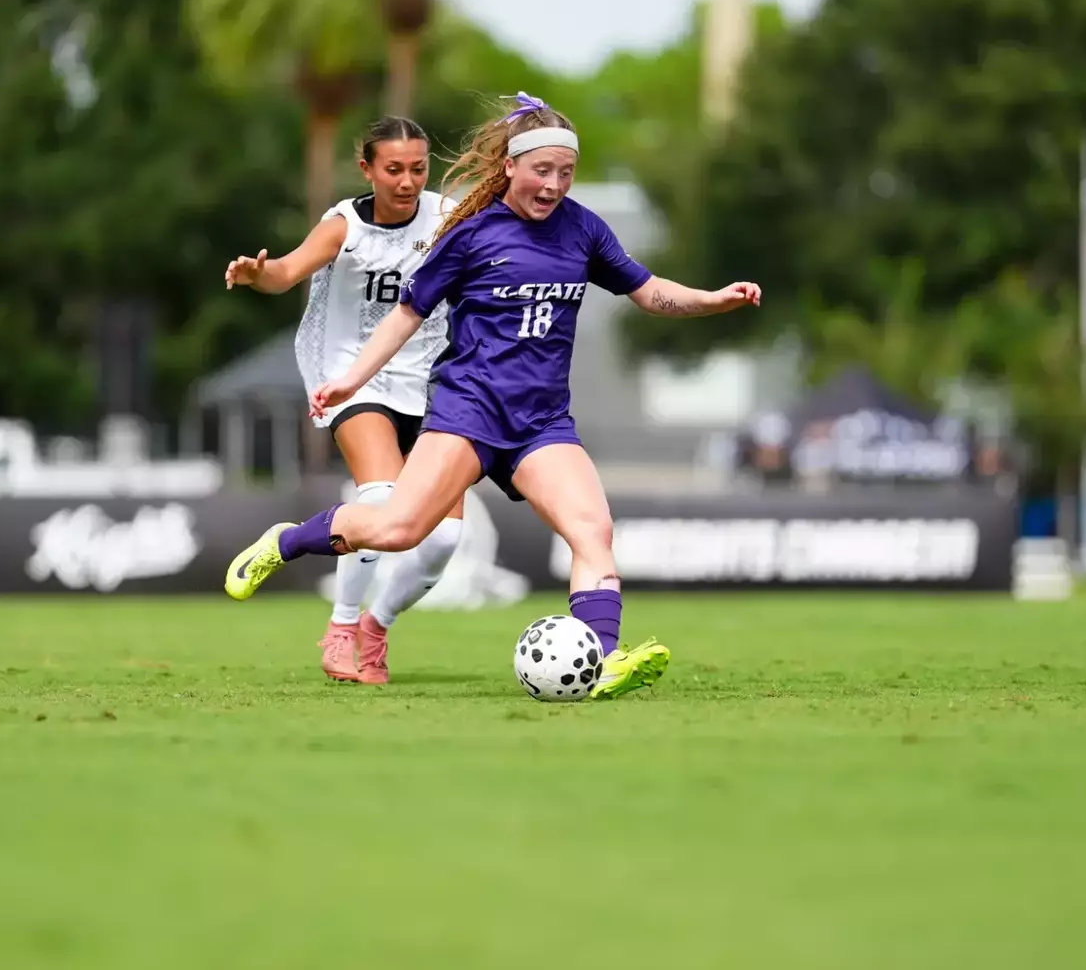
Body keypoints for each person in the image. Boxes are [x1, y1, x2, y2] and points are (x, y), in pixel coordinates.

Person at [225, 92, 762, 700]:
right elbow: (405, 316)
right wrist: (351, 379)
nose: (555, 184)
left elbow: (649, 291)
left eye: (566, 172)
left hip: (541, 423)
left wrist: (712, 299)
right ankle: (287, 540)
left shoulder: (583, 229)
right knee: (400, 528)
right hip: (468, 412)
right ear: (510, 166)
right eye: (542, 170)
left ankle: (603, 657)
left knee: (593, 531)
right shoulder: (469, 235)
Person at [223, 116, 463, 686]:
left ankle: (376, 628)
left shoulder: (449, 217)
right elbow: (284, 273)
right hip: (356, 380)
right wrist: (259, 274)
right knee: (380, 504)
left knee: (444, 540)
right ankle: (342, 627)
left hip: (434, 384)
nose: (408, 181)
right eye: (394, 169)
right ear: (367, 169)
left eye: (419, 168)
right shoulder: (344, 226)